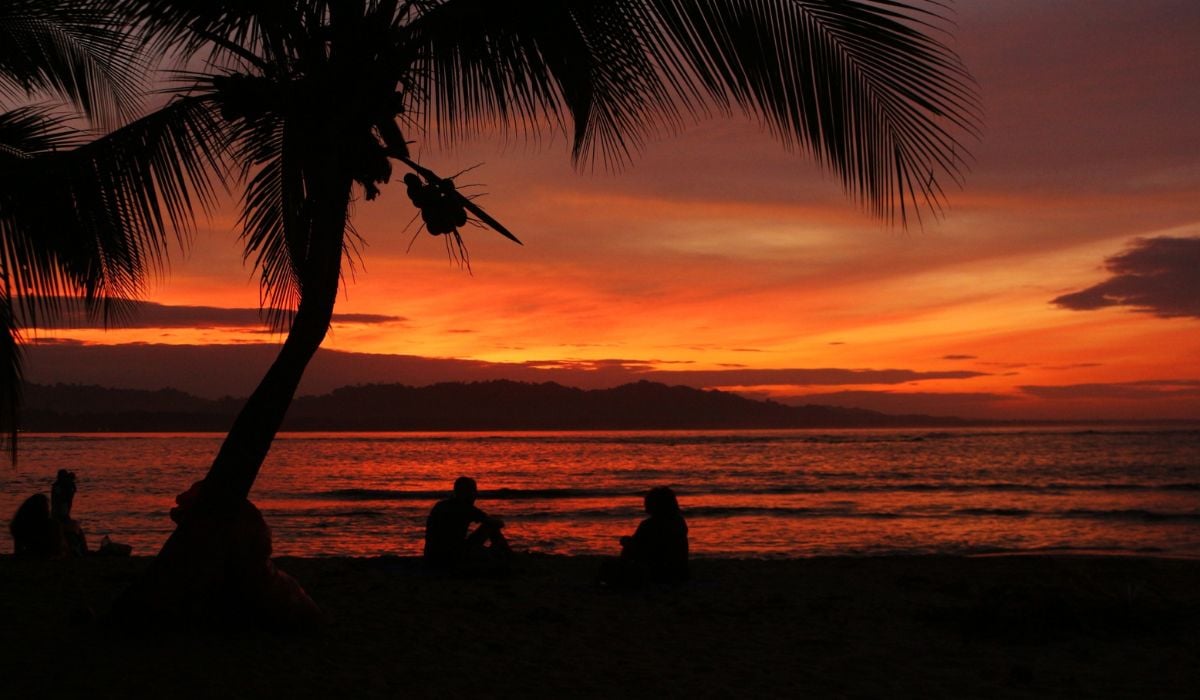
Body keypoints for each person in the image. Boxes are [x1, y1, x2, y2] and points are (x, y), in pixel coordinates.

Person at [600, 486, 689, 587]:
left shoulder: (649, 525)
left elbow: (639, 546)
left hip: (654, 572)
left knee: (608, 565)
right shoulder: (679, 521)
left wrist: (625, 542)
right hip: (679, 572)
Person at [423, 476, 511, 575]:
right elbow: (495, 523)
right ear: (467, 493)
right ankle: (509, 556)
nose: (475, 495)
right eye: (473, 491)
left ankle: (505, 555)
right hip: (453, 555)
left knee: (488, 529)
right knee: (490, 527)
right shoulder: (466, 508)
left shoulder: (441, 505)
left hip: (431, 555)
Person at [9, 493, 65, 558]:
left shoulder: (20, 524)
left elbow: (18, 551)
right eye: (47, 507)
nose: (48, 510)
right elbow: (58, 549)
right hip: (48, 555)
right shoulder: (53, 525)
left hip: (32, 554)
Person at [51, 469, 88, 556]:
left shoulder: (65, 486)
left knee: (64, 525)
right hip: (60, 510)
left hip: (62, 509)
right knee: (64, 526)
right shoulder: (60, 486)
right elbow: (60, 500)